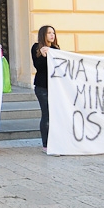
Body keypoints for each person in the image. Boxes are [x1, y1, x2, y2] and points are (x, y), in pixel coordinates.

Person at [32, 25, 59, 153]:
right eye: (49, 33)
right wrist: (43, 55)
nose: (52, 35)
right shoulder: (36, 47)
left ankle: (55, 141)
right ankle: (46, 144)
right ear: (43, 34)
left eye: (53, 33)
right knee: (46, 114)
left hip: (55, 87)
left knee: (55, 115)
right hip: (42, 87)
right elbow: (38, 67)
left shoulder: (56, 49)